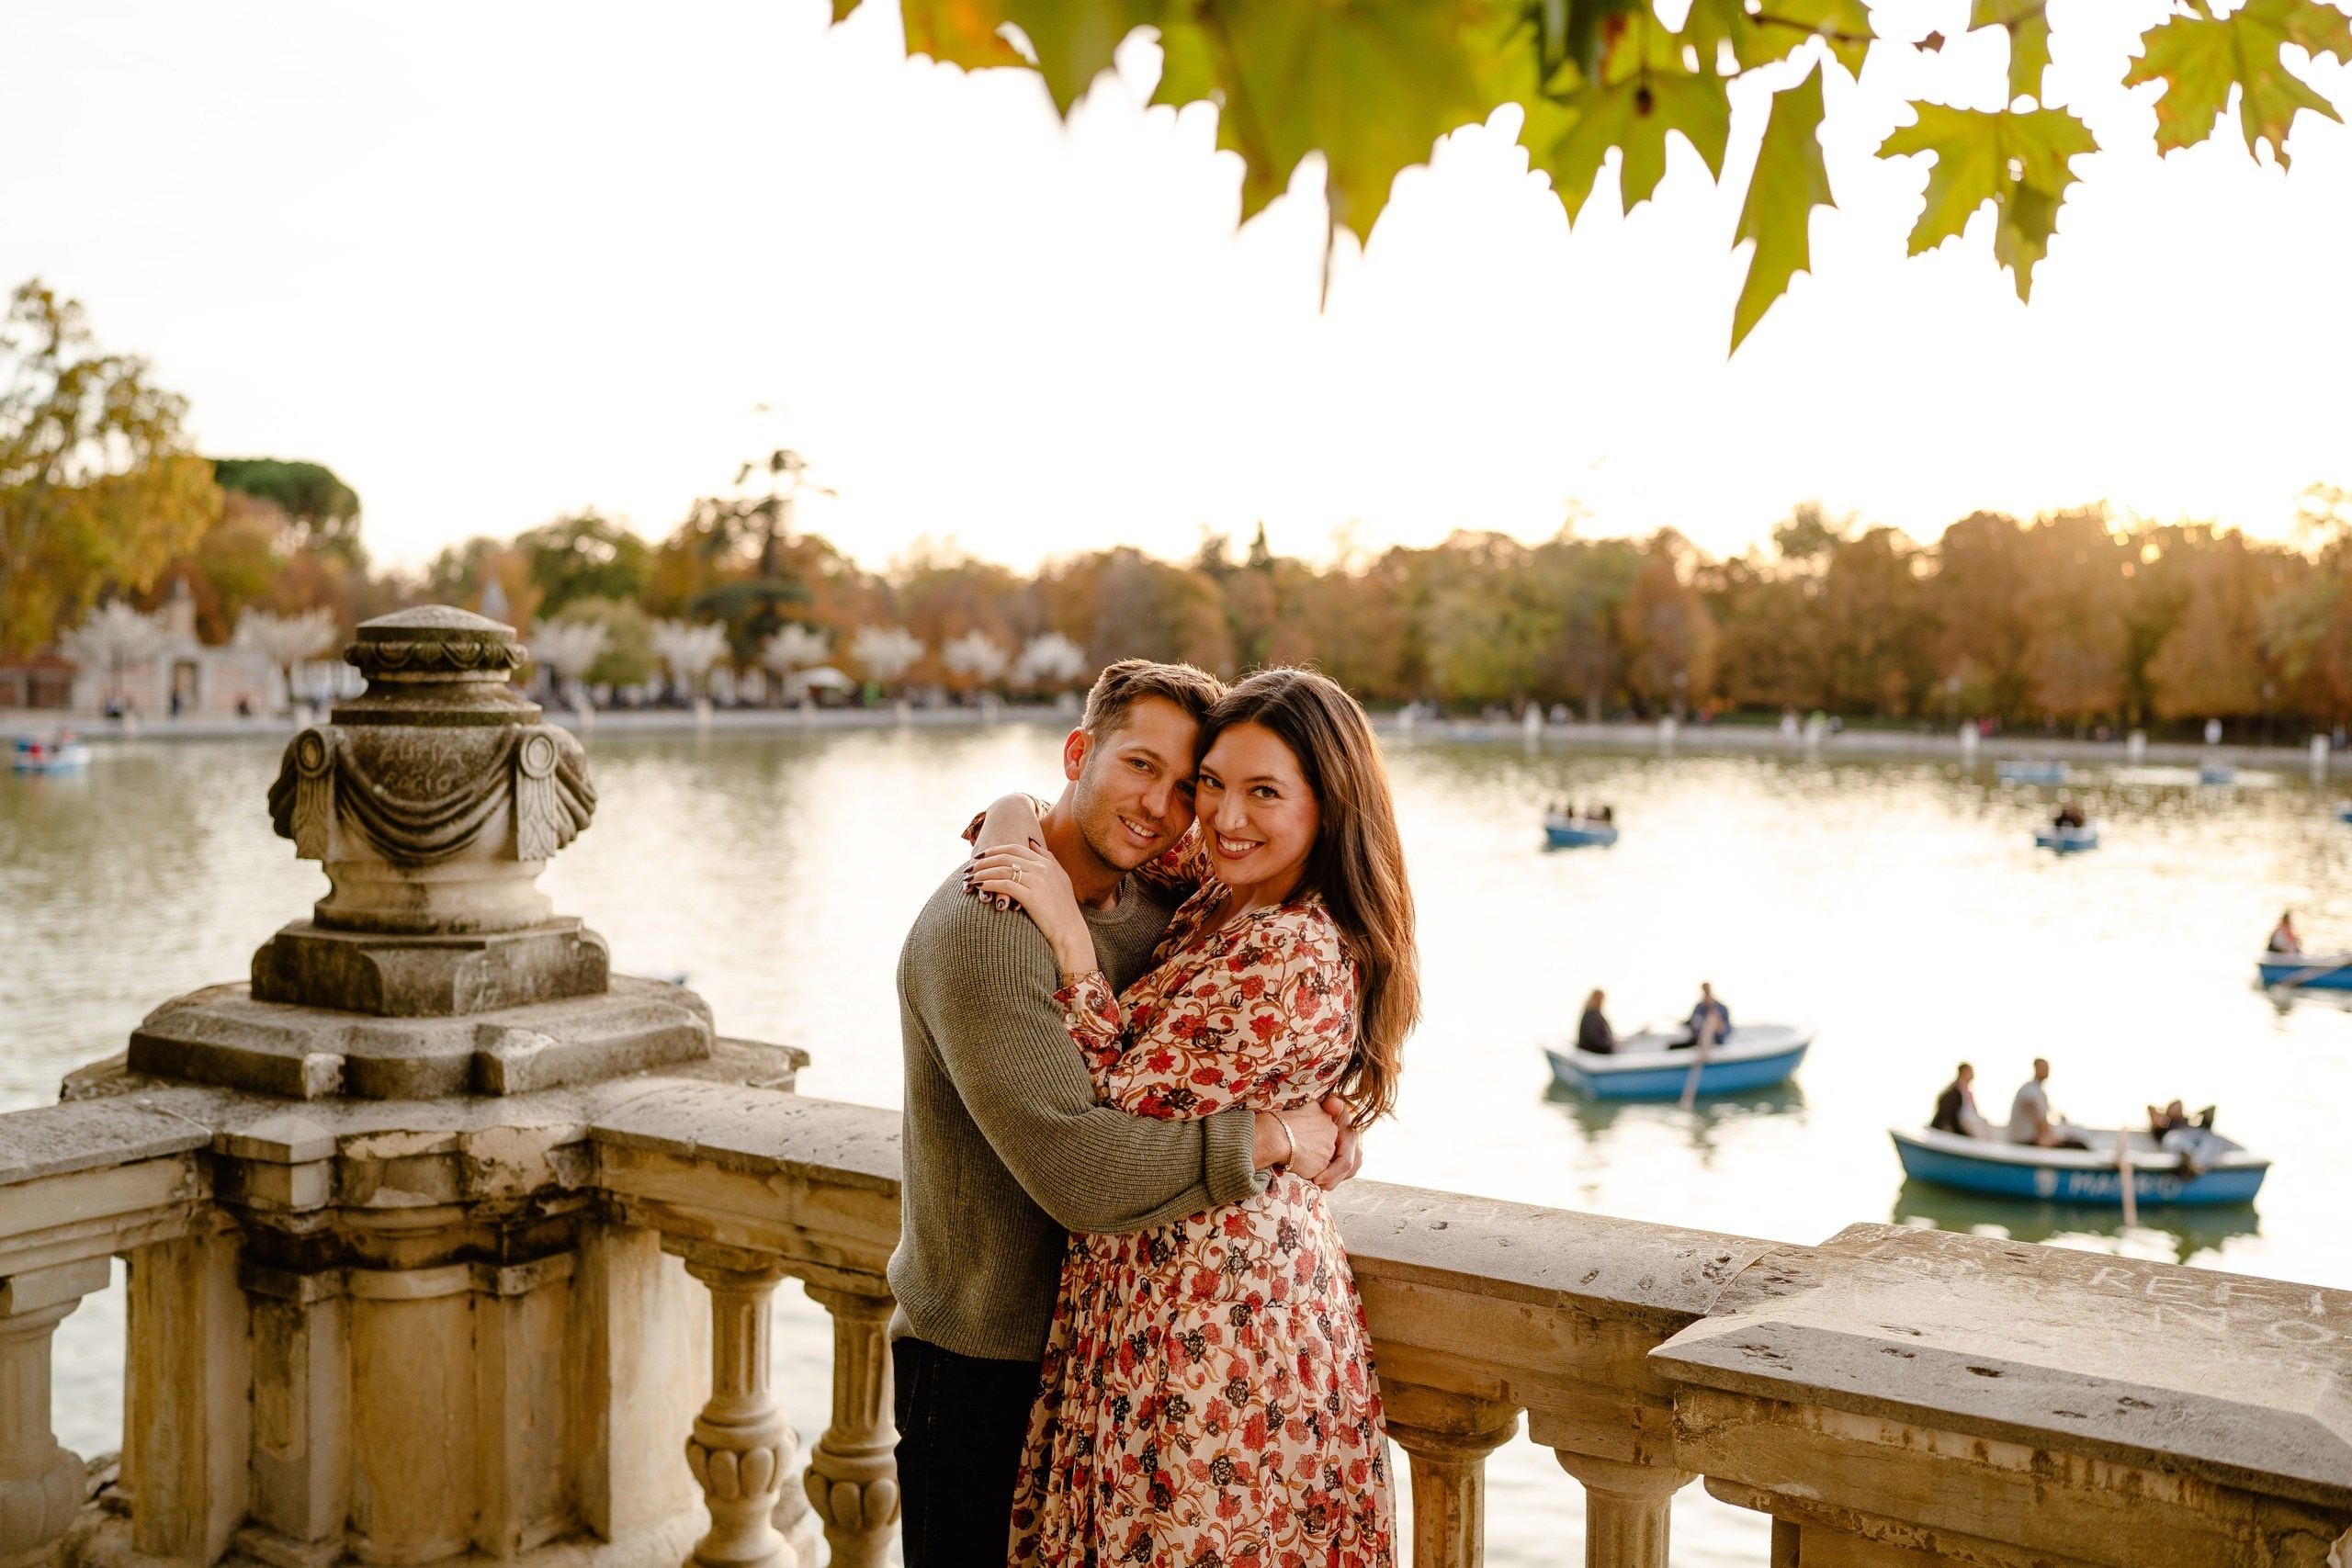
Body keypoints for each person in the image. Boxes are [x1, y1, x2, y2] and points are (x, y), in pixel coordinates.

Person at [889, 660, 1360, 1568]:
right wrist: (1275, 1137)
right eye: (1138, 766)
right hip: (986, 1360)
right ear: (1079, 751)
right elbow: (1080, 1173)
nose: (1168, 806)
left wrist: (1321, 1101)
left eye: (1191, 785)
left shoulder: (1162, 891)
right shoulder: (986, 929)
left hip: (1110, 1351)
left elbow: (1269, 964)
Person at [2006, 1057, 2088, 1149]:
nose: (2047, 1071)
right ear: (2036, 1068)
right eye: (2044, 1068)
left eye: (2047, 1068)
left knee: (2076, 1143)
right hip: (2024, 1141)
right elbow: (2035, 1116)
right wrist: (2046, 1137)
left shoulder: (2040, 1092)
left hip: (2033, 1140)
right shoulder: (2029, 1090)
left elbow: (2045, 1116)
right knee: (2079, 1147)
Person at [1930, 1062, 1991, 1138]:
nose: (1973, 1076)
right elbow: (1946, 1117)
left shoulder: (1967, 1094)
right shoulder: (1952, 1093)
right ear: (1964, 1072)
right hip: (1947, 1134)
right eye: (1970, 1072)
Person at [1685, 981, 1730, 1046]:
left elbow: (1727, 1028)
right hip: (1699, 1039)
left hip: (1717, 1039)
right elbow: (1691, 1023)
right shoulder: (1699, 1008)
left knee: (1712, 1019)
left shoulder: (1721, 1007)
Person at [1578, 988, 1615, 1055]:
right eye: (1599, 1000)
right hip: (1590, 1052)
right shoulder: (1590, 1016)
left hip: (1596, 1050)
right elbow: (1595, 1039)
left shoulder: (1597, 1015)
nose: (1600, 1002)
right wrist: (1609, 1046)